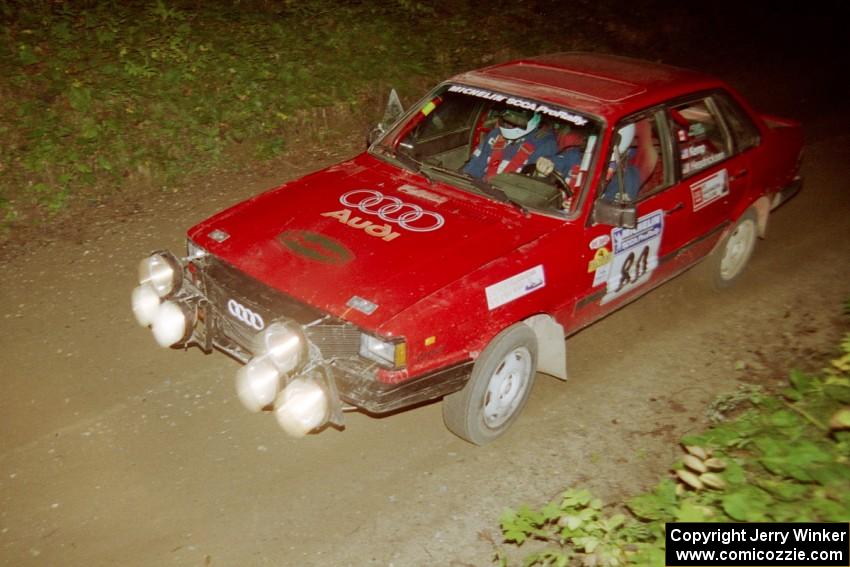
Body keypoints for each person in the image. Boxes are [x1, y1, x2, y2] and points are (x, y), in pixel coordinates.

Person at [463, 109, 580, 182]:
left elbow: (532, 185)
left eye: (513, 122)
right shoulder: (495, 134)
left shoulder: (545, 143)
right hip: (481, 189)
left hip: (510, 198)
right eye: (507, 121)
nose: (509, 125)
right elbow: (474, 166)